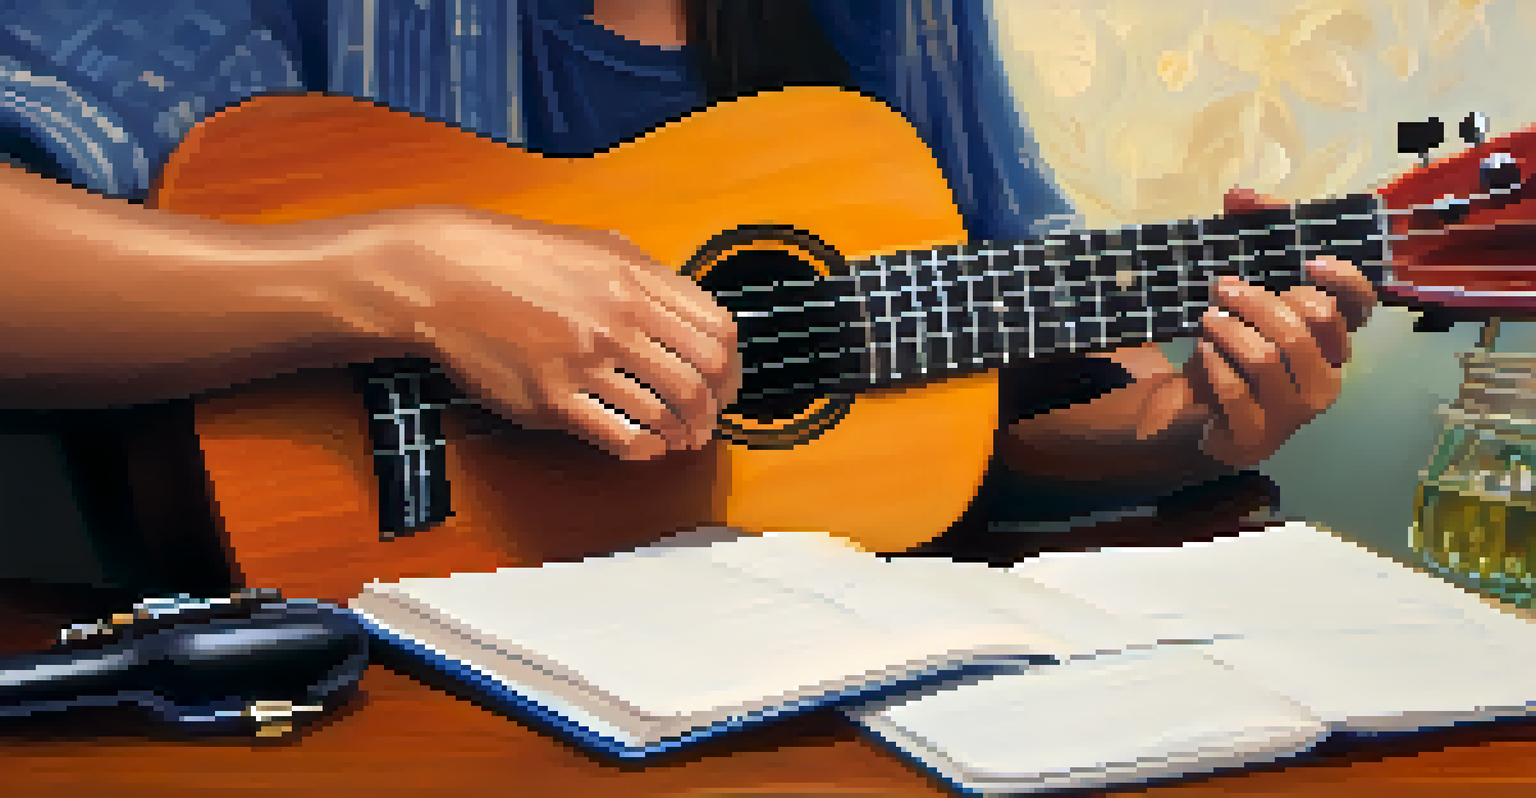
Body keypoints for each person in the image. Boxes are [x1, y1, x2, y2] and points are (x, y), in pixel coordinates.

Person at [0, 0, 1375, 578]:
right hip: (371, 700)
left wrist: (1180, 427)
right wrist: (399, 275)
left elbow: (954, 377)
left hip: (803, 694)